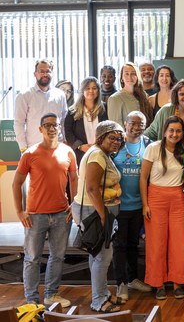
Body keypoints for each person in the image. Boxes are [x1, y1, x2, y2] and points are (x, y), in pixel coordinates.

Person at [13, 113, 77, 308]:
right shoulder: (30, 154)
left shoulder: (68, 152)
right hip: (35, 216)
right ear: (40, 129)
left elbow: (74, 179)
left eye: (55, 125)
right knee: (32, 258)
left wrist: (74, 205)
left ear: (60, 128)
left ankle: (51, 294)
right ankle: (32, 300)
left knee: (57, 257)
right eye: (47, 125)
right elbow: (16, 183)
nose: (51, 128)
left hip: (61, 214)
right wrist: (20, 212)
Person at [71, 121, 126, 313]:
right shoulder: (97, 155)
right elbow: (92, 188)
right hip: (94, 211)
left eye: (119, 138)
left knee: (96, 255)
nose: (116, 141)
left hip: (95, 210)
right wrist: (104, 217)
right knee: (103, 256)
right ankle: (98, 300)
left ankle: (101, 293)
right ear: (101, 137)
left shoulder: (102, 154)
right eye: (112, 137)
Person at [140, 116, 184, 300]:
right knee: (156, 243)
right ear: (165, 131)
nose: (174, 134)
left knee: (180, 243)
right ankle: (158, 283)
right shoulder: (153, 148)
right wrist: (145, 204)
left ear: (182, 133)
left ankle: (178, 283)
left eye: (178, 131)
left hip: (178, 198)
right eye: (171, 130)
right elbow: (143, 178)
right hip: (156, 198)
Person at [112, 112, 152, 301]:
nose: (136, 127)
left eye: (140, 123)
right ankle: (120, 284)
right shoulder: (116, 144)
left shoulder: (148, 144)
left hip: (138, 205)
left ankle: (132, 278)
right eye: (133, 123)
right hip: (119, 206)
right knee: (119, 246)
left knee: (133, 244)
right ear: (125, 124)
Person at [14, 59, 68, 152]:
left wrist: (64, 142)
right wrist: (23, 148)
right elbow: (19, 123)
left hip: (57, 149)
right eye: (41, 71)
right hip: (33, 149)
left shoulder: (60, 95)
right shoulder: (24, 95)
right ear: (35, 74)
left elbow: (63, 122)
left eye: (48, 71)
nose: (45, 74)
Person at [64, 77, 108, 164]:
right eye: (87, 88)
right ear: (82, 91)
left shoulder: (105, 108)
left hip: (102, 152)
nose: (91, 91)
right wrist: (80, 146)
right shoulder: (72, 111)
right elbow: (68, 132)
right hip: (81, 154)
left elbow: (109, 129)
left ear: (98, 91)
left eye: (94, 88)